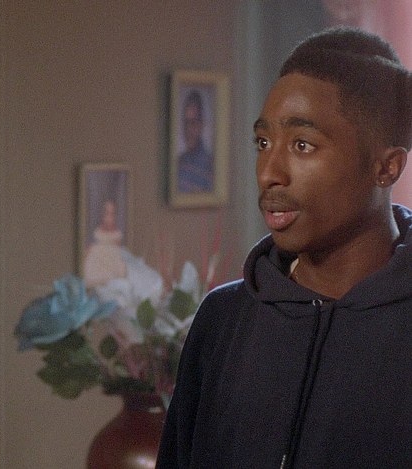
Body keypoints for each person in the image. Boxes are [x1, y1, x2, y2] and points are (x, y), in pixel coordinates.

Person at [157, 27, 412, 468]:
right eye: (263, 143)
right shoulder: (223, 320)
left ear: (386, 167)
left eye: (302, 145)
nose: (268, 173)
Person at [176, 90, 214, 193]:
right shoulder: (177, 164)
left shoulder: (211, 166)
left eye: (193, 123)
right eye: (186, 123)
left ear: (201, 124)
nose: (188, 130)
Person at [83, 199, 127, 287]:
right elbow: (96, 241)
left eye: (112, 213)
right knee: (90, 260)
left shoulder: (116, 231)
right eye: (107, 213)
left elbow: (118, 246)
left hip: (110, 254)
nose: (109, 217)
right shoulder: (100, 228)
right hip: (98, 251)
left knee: (111, 268)